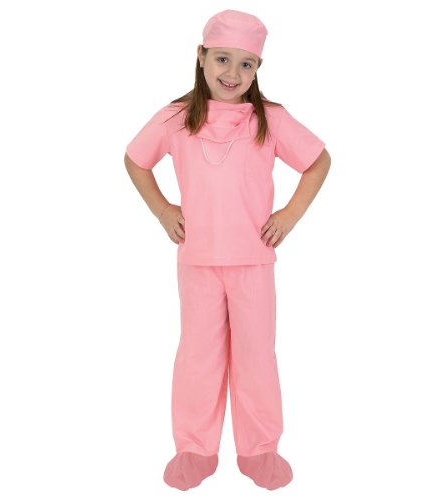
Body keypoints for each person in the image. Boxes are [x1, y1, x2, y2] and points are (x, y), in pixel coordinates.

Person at [124, 9, 331, 491]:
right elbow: (135, 160)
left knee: (256, 357)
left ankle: (260, 449)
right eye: (222, 58)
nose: (232, 73)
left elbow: (318, 161)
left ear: (258, 68)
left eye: (246, 63)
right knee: (198, 358)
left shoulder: (270, 119)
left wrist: (289, 215)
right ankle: (194, 448)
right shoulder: (175, 118)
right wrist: (162, 210)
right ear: (200, 56)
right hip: (198, 260)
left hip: (253, 260)